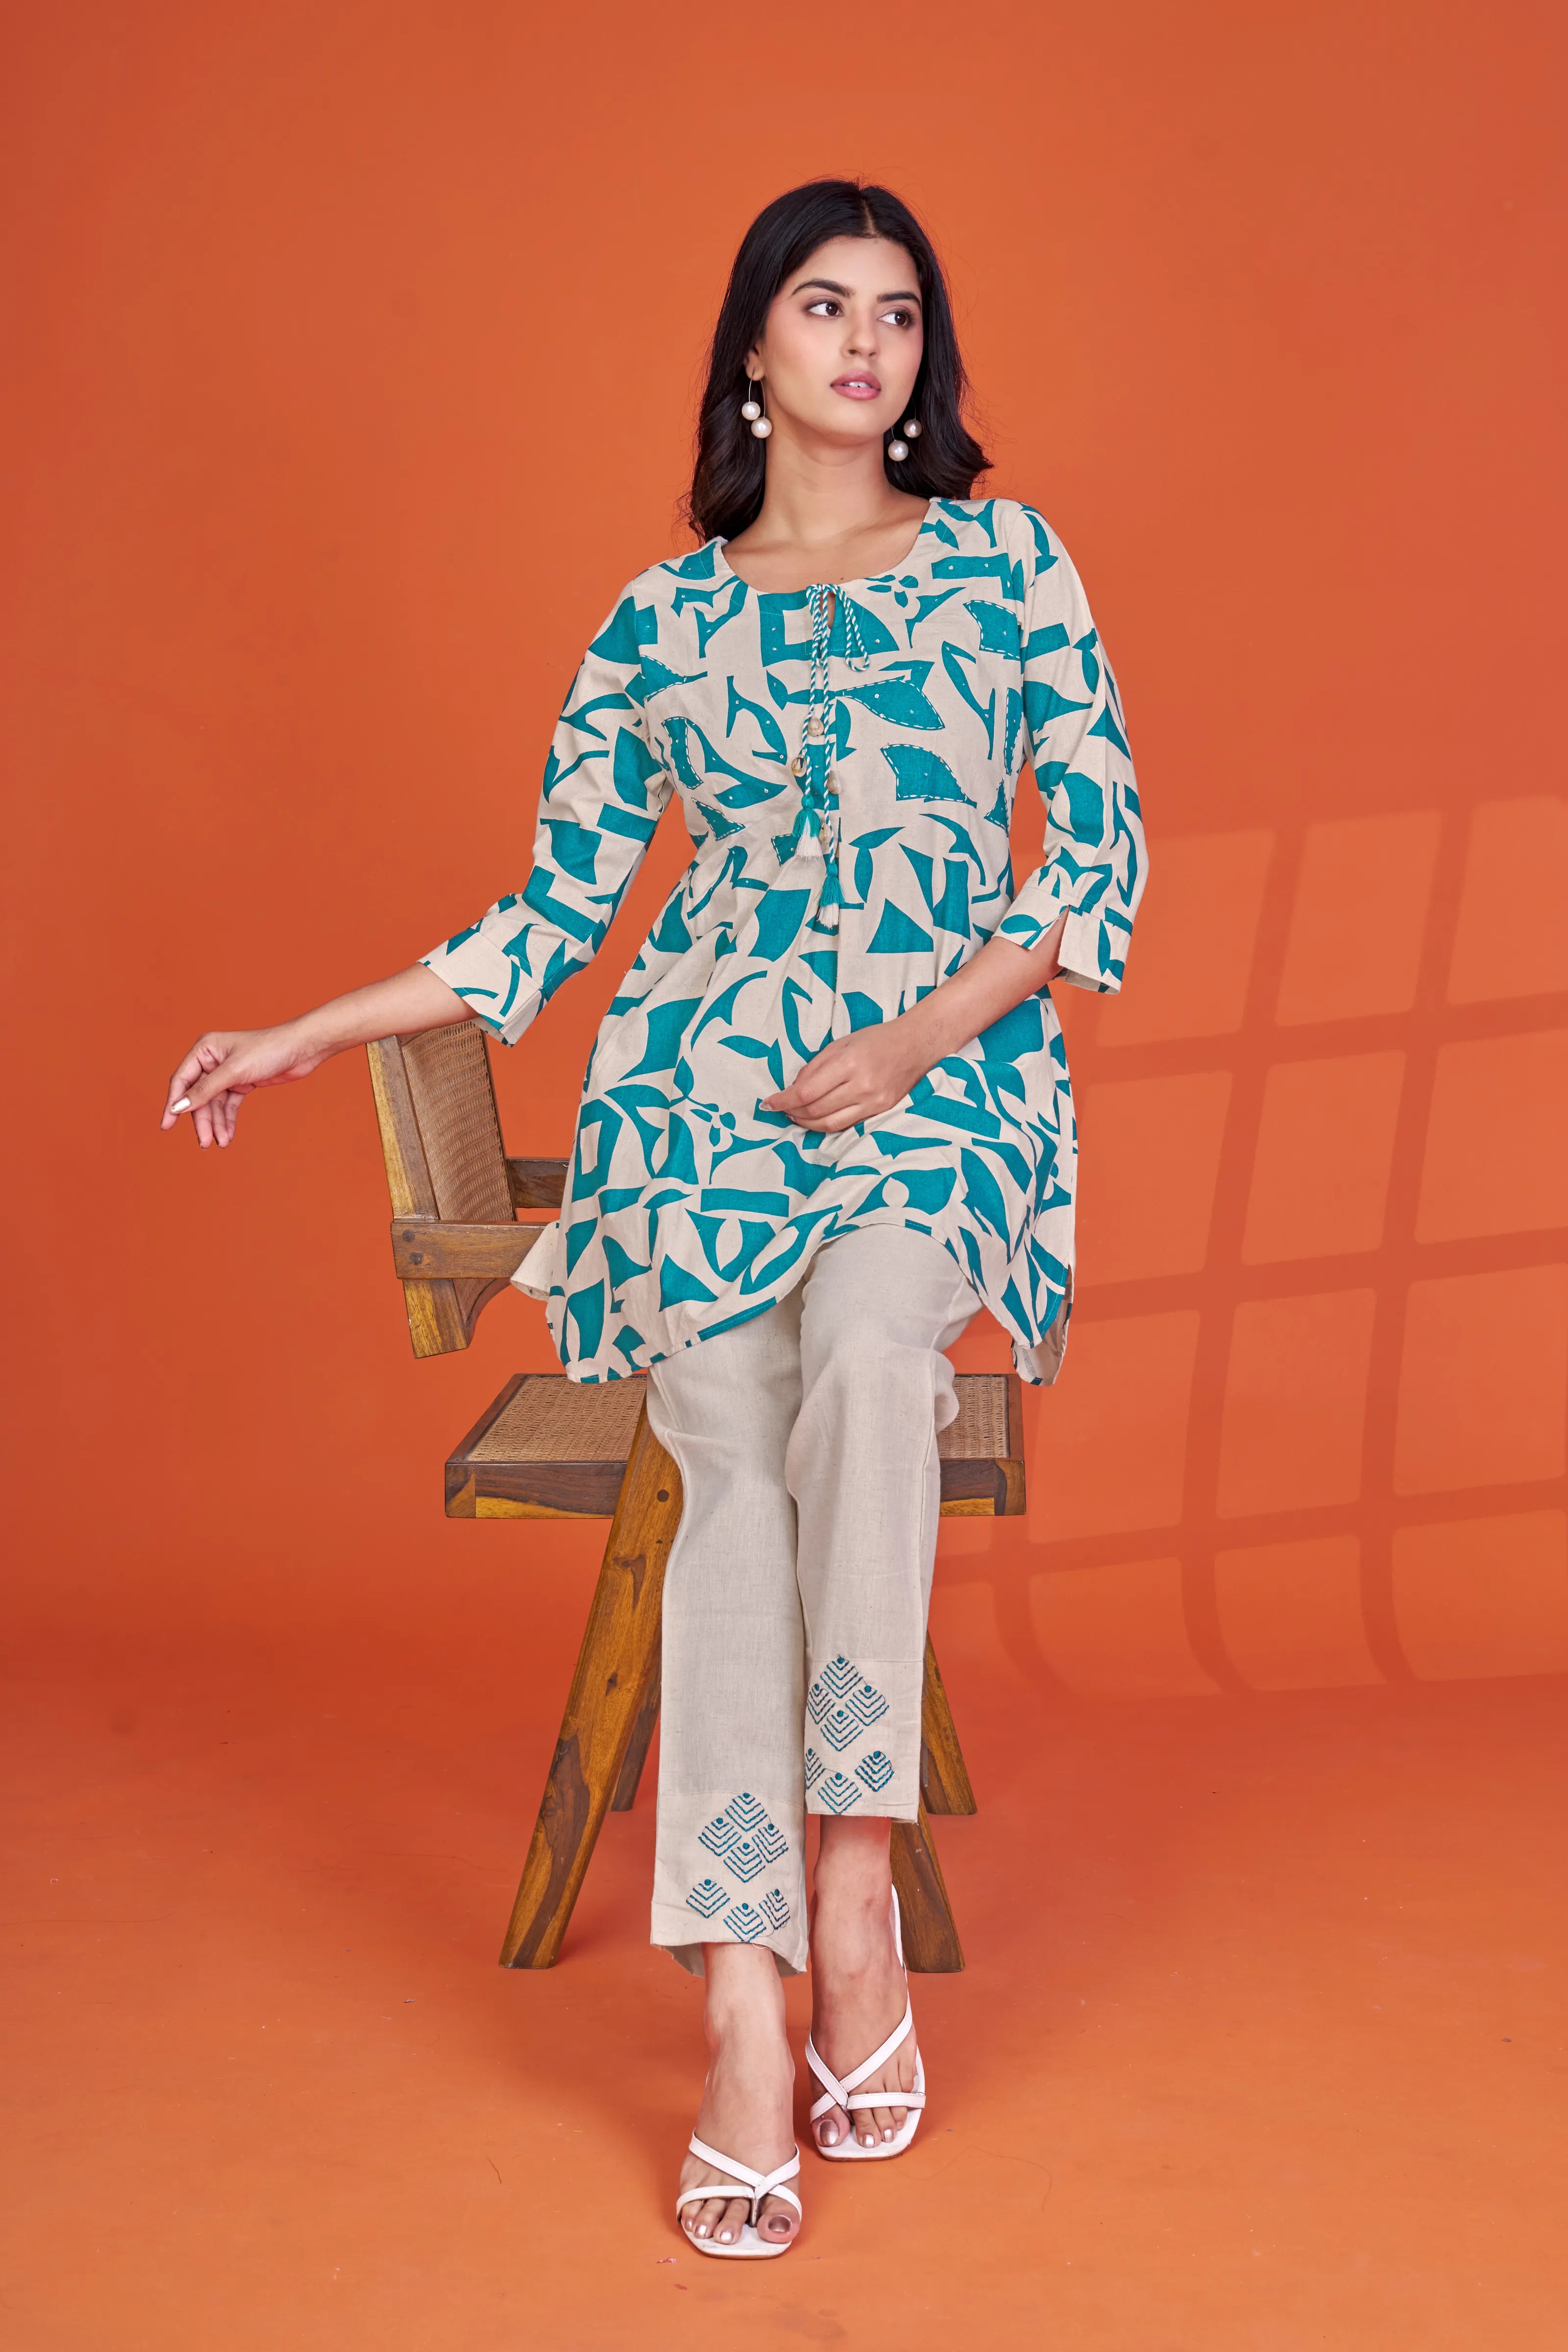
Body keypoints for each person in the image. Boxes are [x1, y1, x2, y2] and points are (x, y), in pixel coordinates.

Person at [161, 178, 1147, 2260]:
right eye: (825, 306)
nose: (866, 344)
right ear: (753, 351)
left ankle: (851, 1891)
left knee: (868, 1349)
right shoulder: (660, 623)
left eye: (897, 312)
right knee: (725, 1442)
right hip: (699, 1108)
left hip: (941, 1086)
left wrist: (913, 1038)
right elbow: (549, 919)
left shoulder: (1006, 562)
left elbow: (1094, 856)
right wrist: (305, 1030)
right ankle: (738, 2007)